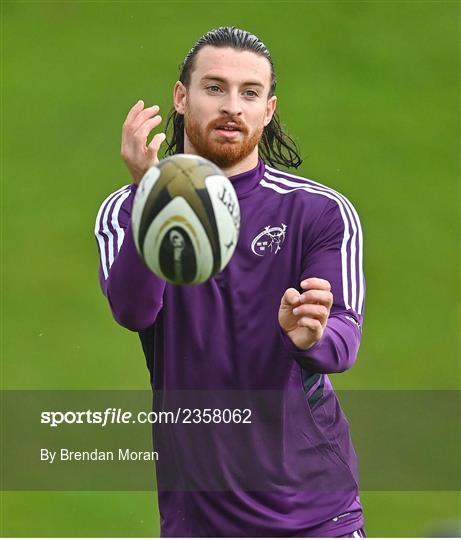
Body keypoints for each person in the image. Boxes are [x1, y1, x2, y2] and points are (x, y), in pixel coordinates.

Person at [95, 27, 366, 538]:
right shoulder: (127, 208)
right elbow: (133, 310)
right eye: (214, 87)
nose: (232, 106)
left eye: (249, 93)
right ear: (181, 97)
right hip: (197, 518)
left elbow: (343, 340)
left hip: (314, 514)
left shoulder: (318, 212)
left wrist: (311, 337)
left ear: (268, 108)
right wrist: (153, 194)